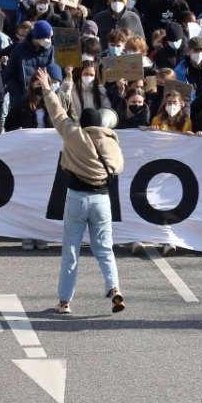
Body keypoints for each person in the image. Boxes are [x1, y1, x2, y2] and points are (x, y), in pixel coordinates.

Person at [36, 68, 125, 316]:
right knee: (105, 249)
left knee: (71, 250)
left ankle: (65, 301)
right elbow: (118, 167)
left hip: (76, 197)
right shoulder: (111, 140)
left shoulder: (74, 136)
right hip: (102, 200)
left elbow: (57, 113)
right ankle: (114, 287)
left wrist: (46, 87)